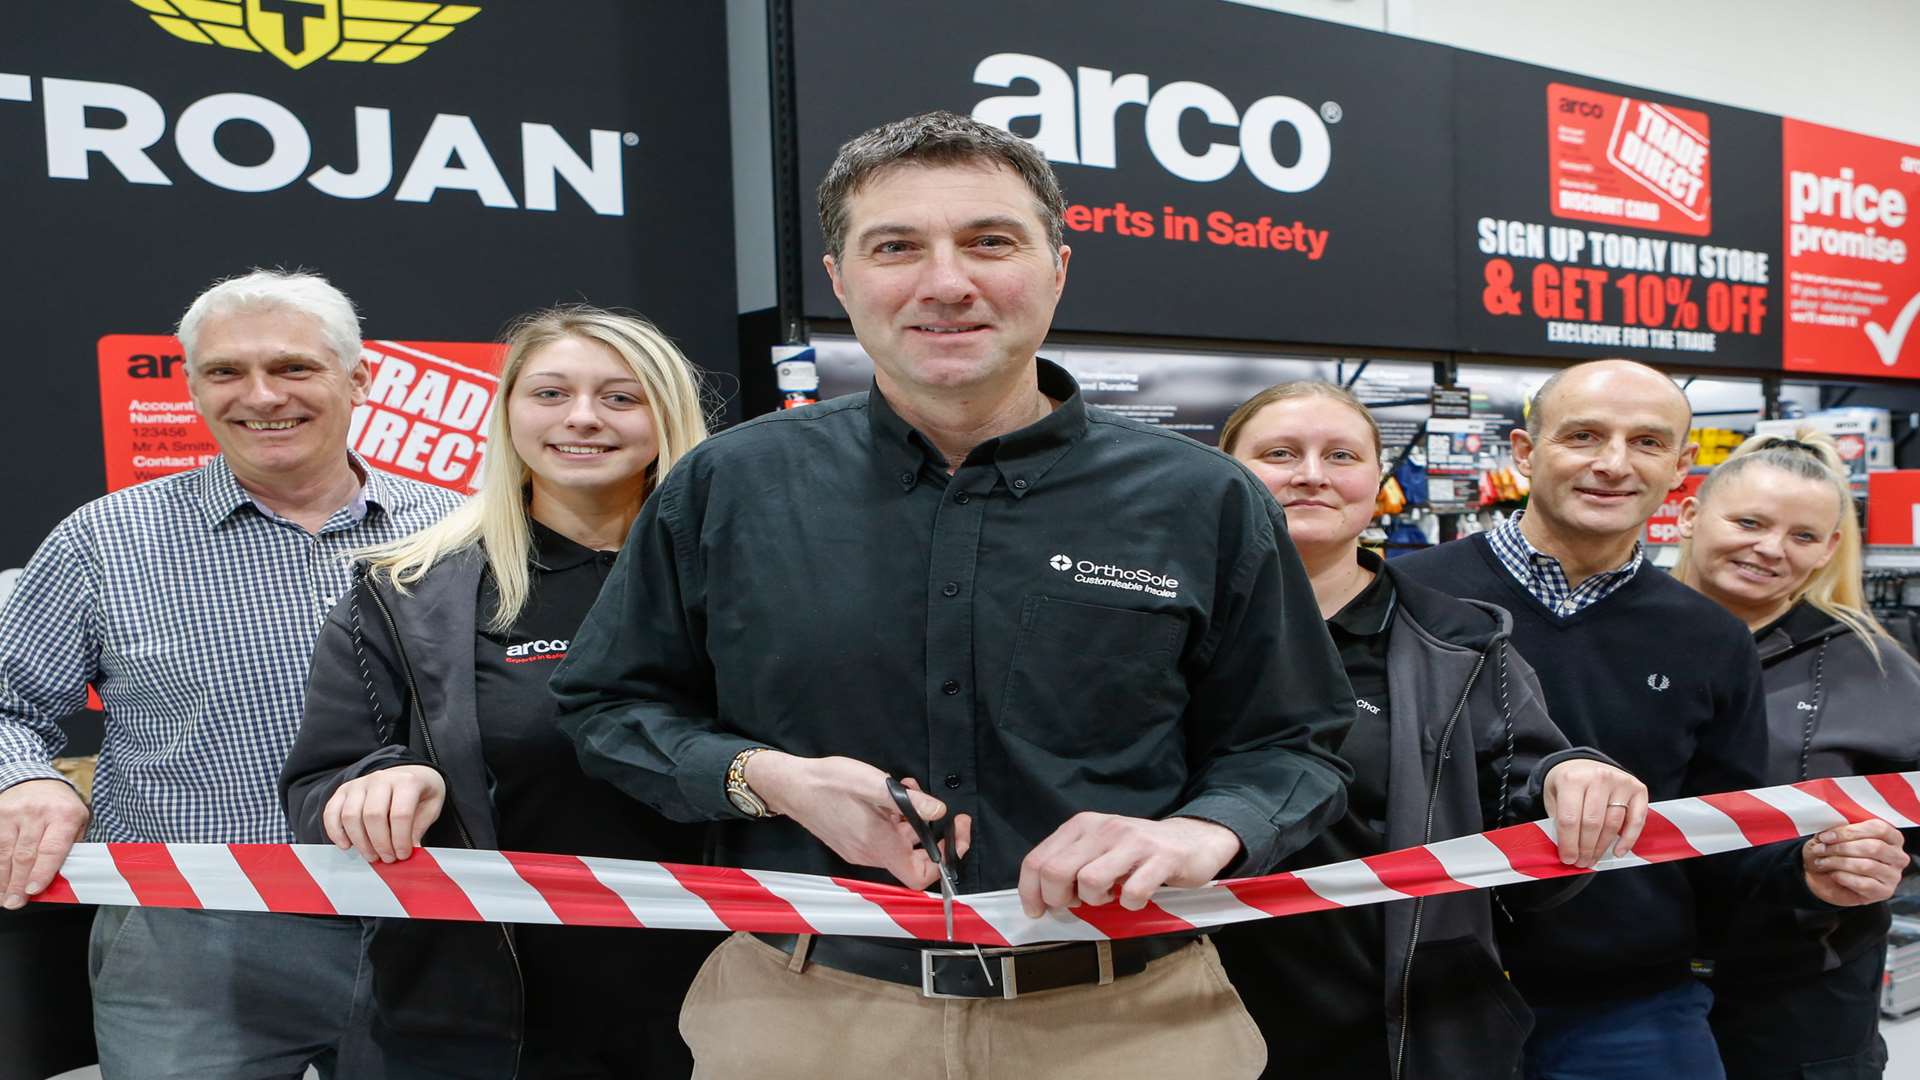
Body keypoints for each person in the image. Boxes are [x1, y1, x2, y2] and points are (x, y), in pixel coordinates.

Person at [551, 111, 1355, 1079]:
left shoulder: (1205, 500)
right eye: (896, 247)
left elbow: (1291, 746)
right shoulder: (729, 486)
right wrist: (767, 777)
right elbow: (609, 704)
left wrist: (1201, 831)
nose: (946, 283)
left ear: (1056, 269)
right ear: (841, 279)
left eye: (990, 242)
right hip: (803, 1017)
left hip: (1130, 1024)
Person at [0, 269, 462, 1078]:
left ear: (360, 378)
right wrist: (24, 781)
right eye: (225, 372)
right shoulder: (107, 540)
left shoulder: (459, 528)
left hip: (436, 924)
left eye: (293, 368)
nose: (261, 396)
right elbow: (7, 704)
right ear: (191, 387)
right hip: (191, 939)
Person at [1392, 359, 1907, 1080]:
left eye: (1646, 442)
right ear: (1523, 452)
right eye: (1584, 435)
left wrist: (1808, 874)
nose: (1613, 464)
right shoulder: (1409, 596)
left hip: (1627, 1007)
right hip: (1419, 994)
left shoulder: (1709, 638)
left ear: (1680, 467)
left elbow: (1726, 839)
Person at [281, 306, 717, 1078]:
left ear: (666, 414)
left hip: (725, 1004)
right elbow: (319, 789)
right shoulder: (406, 589)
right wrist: (379, 784)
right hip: (479, 1021)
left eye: (620, 397)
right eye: (550, 393)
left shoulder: (742, 585)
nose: (582, 418)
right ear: (509, 411)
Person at [1211, 381, 1648, 1080]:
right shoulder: (1165, 632)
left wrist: (1575, 776)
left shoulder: (1462, 643)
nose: (1312, 474)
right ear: (1225, 473)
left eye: (1342, 454)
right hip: (1196, 1022)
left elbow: (1525, 793)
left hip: (1409, 1032)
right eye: (1281, 453)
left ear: (1375, 480)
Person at [1676, 427, 1920, 1080]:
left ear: (1829, 549)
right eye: (1750, 521)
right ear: (1692, 514)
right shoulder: (1621, 637)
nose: (1770, 549)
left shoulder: (1871, 663)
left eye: (1802, 536)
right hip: (1626, 991)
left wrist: (1876, 856)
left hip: (1802, 1001)